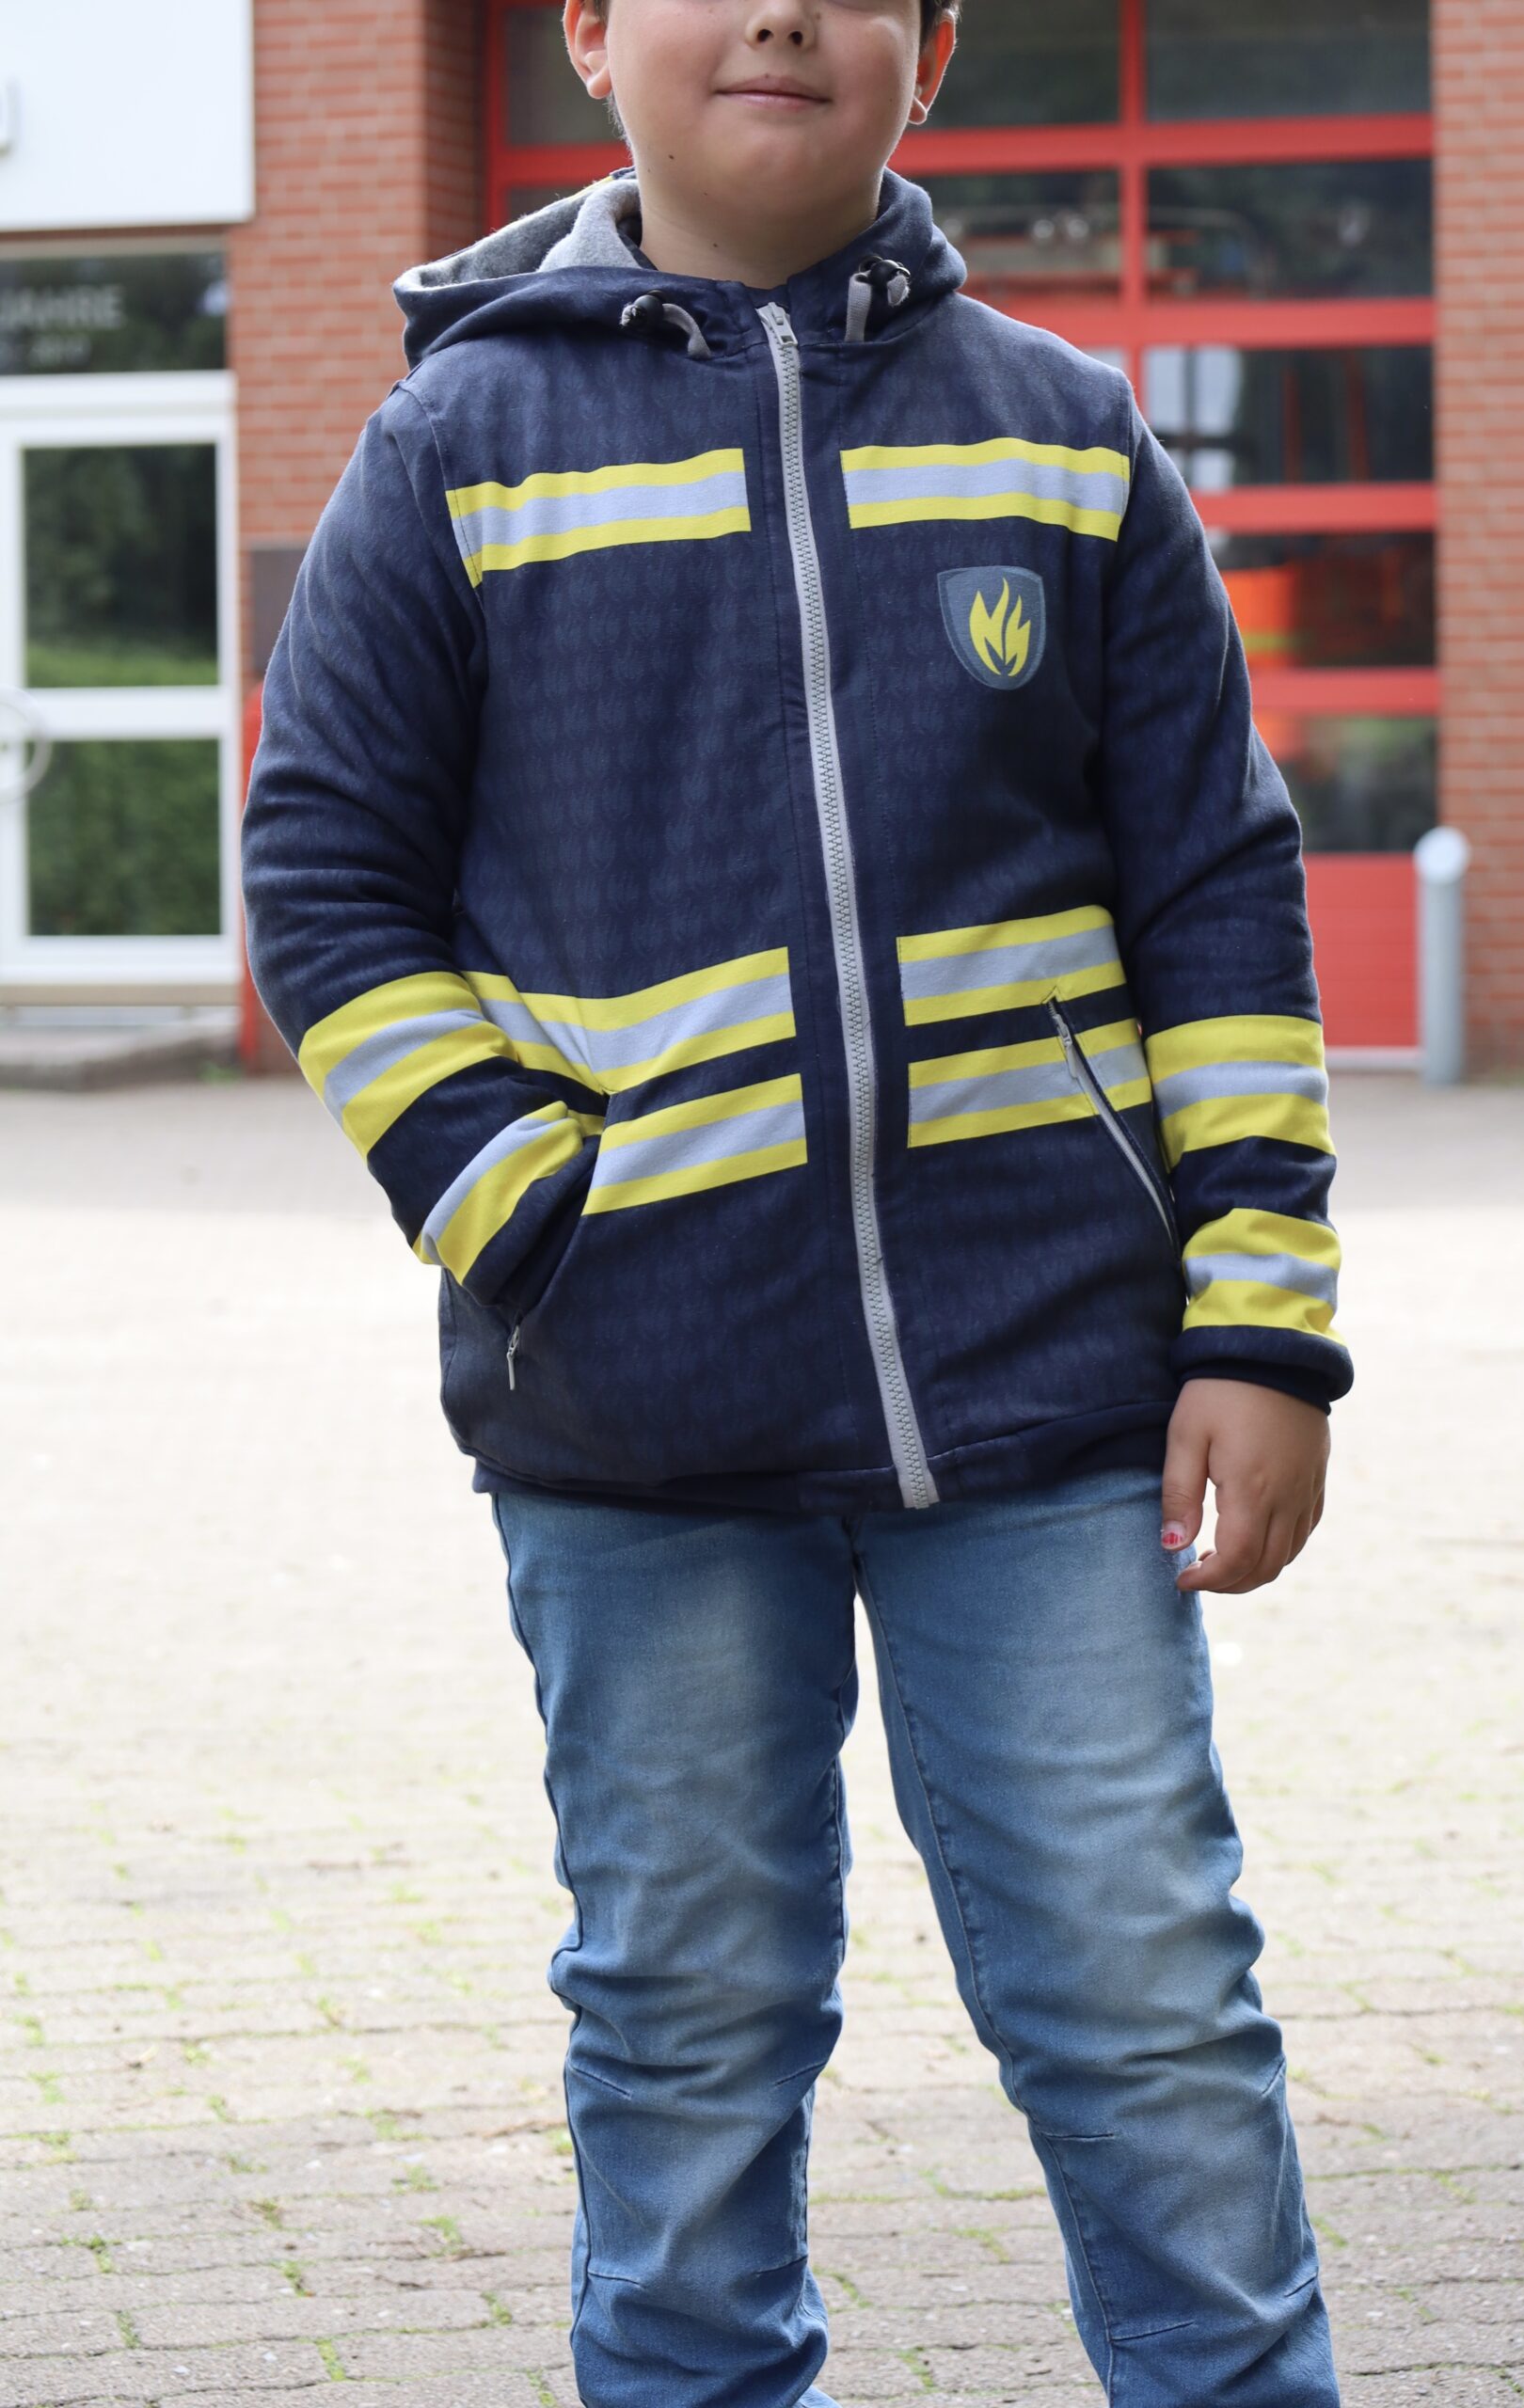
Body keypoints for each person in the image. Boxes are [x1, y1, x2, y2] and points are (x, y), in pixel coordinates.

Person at [240, 1, 1353, 2400]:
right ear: (586, 30)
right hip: (634, 1429)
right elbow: (321, 875)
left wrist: (1259, 1322)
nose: (776, 10)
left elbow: (1215, 893)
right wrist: (533, 1210)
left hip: (1050, 1408)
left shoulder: (1060, 435)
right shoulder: (457, 449)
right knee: (685, 2020)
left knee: (1146, 1998)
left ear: (929, 48)